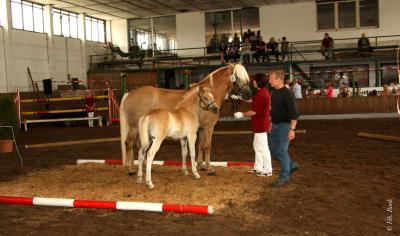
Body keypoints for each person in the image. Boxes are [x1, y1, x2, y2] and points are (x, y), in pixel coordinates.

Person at [232, 73, 272, 177]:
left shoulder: (262, 94)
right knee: (257, 147)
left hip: (261, 125)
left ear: (258, 81)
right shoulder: (261, 92)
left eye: (254, 80)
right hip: (259, 124)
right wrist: (239, 98)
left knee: (263, 148)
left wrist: (241, 114)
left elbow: (253, 111)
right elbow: (252, 100)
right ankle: (258, 167)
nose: (253, 81)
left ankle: (268, 169)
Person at [268, 71, 299, 187]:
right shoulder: (274, 93)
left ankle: (284, 177)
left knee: (281, 150)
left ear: (279, 79)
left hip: (285, 126)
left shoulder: (287, 93)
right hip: (275, 125)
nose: (269, 81)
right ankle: (291, 165)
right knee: (272, 149)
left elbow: (294, 113)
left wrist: (292, 129)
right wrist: (271, 123)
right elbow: (273, 110)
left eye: (271, 79)